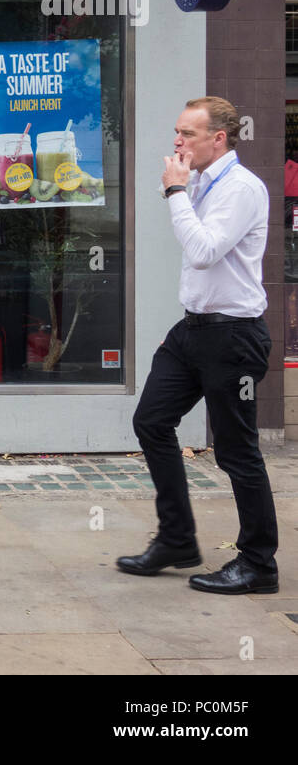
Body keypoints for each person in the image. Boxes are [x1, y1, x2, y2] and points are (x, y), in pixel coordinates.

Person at [118, 97, 278, 594]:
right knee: (150, 420)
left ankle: (258, 565)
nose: (177, 142)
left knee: (237, 452)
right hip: (193, 330)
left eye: (187, 134)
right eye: (176, 132)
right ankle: (178, 540)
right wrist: (182, 190)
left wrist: (174, 191)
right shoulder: (203, 182)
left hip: (234, 337)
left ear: (219, 139)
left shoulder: (242, 189)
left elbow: (205, 251)